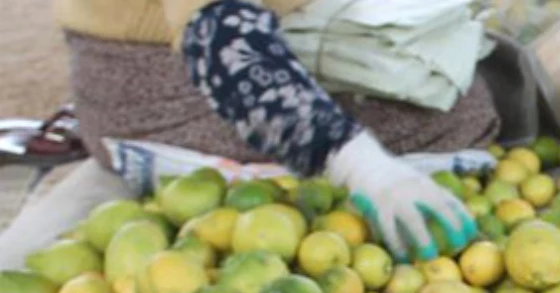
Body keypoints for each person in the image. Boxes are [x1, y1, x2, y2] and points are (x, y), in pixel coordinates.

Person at [52, 0, 499, 261]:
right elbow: (223, 43)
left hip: (284, 26)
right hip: (165, 78)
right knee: (424, 123)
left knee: (462, 89)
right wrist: (365, 167)